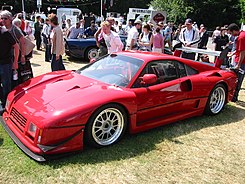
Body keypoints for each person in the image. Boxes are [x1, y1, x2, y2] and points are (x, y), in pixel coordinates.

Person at [0, 19, 19, 108]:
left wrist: (15, 61)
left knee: (6, 84)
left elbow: (16, 46)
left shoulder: (5, 32)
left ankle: (7, 104)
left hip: (5, 63)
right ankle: (3, 101)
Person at [227, 23, 245, 102]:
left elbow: (242, 52)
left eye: (231, 33)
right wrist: (233, 53)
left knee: (238, 80)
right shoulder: (242, 34)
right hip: (240, 60)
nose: (232, 35)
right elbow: (239, 50)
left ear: (234, 30)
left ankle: (234, 97)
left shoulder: (241, 37)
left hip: (242, 62)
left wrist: (238, 65)